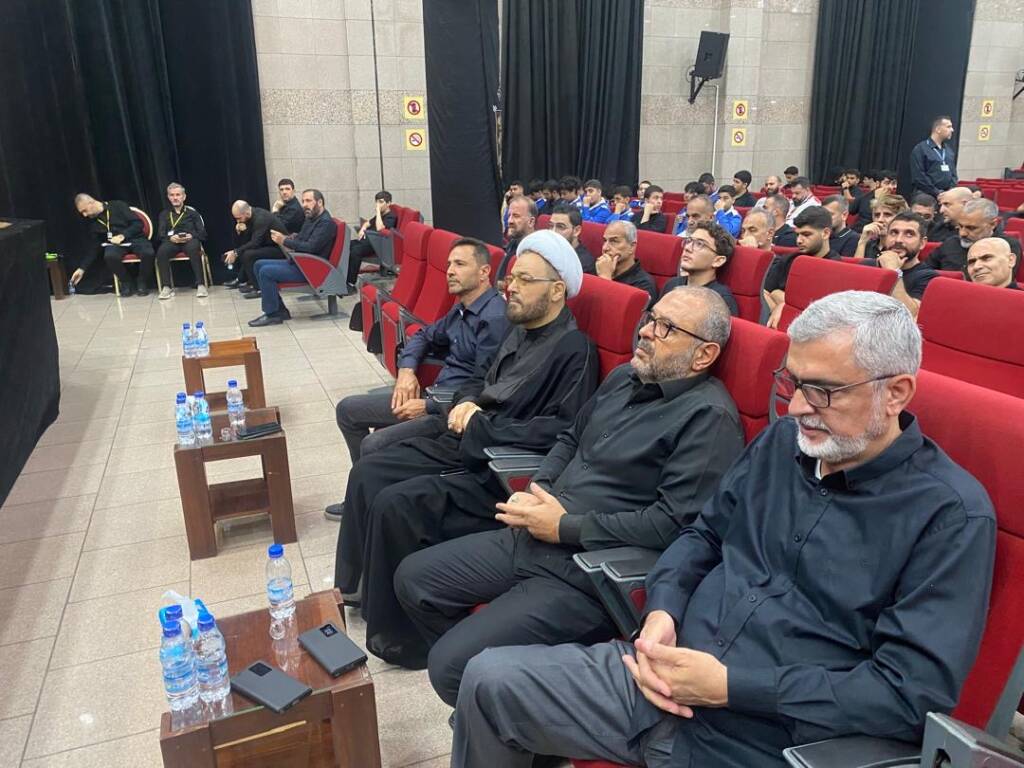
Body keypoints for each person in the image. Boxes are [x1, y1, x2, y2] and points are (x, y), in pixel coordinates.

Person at [450, 290, 996, 768]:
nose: (798, 407)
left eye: (823, 391)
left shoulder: (949, 515)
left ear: (896, 392)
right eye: (793, 382)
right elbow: (701, 535)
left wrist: (731, 687)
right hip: (660, 676)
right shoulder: (782, 444)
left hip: (770, 740)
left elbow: (908, 692)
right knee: (487, 680)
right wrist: (663, 610)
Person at [396, 287, 744, 705]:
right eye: (650, 318)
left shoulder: (709, 418)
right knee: (413, 579)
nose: (646, 331)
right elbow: (569, 439)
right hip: (537, 533)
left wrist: (565, 527)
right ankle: (492, 700)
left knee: (449, 665)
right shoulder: (624, 378)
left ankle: (496, 707)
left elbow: (672, 525)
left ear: (704, 355)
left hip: (589, 572)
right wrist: (539, 488)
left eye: (665, 328)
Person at [334, 230, 600, 666]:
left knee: (395, 503)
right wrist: (468, 401)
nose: (511, 287)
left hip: (497, 466)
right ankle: (355, 588)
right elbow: (481, 380)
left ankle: (401, 639)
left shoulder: (574, 347)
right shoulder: (520, 330)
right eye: (511, 278)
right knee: (369, 468)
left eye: (525, 280)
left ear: (557, 291)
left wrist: (482, 424)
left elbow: (560, 429)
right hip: (467, 438)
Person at [325, 238, 509, 521]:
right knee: (348, 410)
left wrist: (428, 407)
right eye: (449, 264)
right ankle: (364, 496)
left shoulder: (494, 319)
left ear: (484, 272)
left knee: (373, 445)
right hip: (432, 396)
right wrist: (407, 371)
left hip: (451, 413)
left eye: (460, 264)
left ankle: (366, 507)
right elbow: (424, 335)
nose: (450, 271)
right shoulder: (461, 308)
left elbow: (484, 387)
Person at [246, 189, 338, 326]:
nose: (304, 204)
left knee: (266, 272)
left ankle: (272, 314)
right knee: (258, 264)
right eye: (303, 201)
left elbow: (310, 247)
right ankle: (280, 310)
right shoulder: (311, 218)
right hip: (300, 262)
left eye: (308, 201)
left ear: (319, 202)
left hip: (312, 269)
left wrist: (284, 241)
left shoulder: (325, 223)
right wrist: (291, 237)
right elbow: (302, 238)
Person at [764, 206, 840, 329]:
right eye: (798, 234)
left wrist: (784, 304)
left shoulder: (835, 268)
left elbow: (814, 312)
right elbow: (765, 292)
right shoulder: (789, 259)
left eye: (806, 234)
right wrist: (784, 305)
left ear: (825, 233)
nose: (799, 240)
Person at [71, 194, 155, 297]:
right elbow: (94, 247)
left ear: (91, 203)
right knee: (110, 255)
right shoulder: (93, 223)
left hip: (135, 238)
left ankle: (142, 281)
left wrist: (123, 235)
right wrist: (82, 268)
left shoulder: (118, 205)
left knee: (148, 253)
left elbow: (138, 224)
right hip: (115, 244)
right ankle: (126, 282)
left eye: (85, 210)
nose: (84, 215)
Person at [863, 212, 938, 317]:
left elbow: (911, 316)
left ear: (922, 243)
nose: (898, 240)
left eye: (909, 234)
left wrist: (894, 271)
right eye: (894, 233)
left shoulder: (929, 278)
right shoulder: (868, 266)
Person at [927, 197, 1024, 274]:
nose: (962, 233)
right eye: (960, 226)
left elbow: (996, 281)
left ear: (993, 224)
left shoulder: (1007, 246)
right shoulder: (951, 243)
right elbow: (926, 270)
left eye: (971, 228)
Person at [661, 222, 740, 316]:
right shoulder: (672, 284)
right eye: (689, 241)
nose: (687, 248)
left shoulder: (720, 300)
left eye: (699, 244)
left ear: (718, 261)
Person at [153, 183, 209, 299]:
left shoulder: (193, 213)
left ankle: (200, 285)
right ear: (168, 197)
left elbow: (203, 233)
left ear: (184, 197)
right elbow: (160, 234)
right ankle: (166, 287)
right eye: (172, 195)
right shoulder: (164, 214)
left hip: (190, 240)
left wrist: (191, 235)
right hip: (172, 241)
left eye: (178, 195)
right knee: (161, 252)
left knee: (194, 248)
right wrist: (170, 237)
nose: (175, 198)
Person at [223, 200, 287, 292]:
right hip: (268, 245)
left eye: (239, 218)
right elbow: (248, 242)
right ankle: (243, 280)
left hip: (280, 248)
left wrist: (235, 252)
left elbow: (255, 243)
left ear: (246, 213)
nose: (237, 221)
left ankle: (259, 288)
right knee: (245, 252)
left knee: (248, 255)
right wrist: (241, 232)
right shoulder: (250, 217)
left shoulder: (260, 218)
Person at [596, 220, 658, 305]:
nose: (605, 248)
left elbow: (617, 310)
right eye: (604, 240)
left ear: (632, 247)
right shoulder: (599, 267)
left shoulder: (644, 284)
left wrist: (605, 278)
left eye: (614, 241)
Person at [347, 190, 399, 288]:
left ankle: (350, 282)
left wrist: (378, 211)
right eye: (377, 202)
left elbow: (380, 228)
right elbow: (368, 223)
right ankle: (344, 278)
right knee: (346, 246)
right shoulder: (380, 215)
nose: (378, 205)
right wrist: (362, 229)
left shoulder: (391, 217)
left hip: (376, 244)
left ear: (388, 203)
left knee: (355, 251)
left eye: (381, 202)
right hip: (367, 240)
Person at [495, 195, 538, 284]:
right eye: (509, 215)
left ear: (531, 222)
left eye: (516, 216)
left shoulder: (536, 253)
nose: (509, 221)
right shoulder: (513, 243)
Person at [911, 116, 958, 197]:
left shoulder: (949, 151)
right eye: (948, 127)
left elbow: (953, 175)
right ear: (938, 129)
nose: (952, 130)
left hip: (946, 195)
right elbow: (919, 177)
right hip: (926, 194)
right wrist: (937, 192)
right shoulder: (921, 149)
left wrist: (949, 192)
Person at [853, 195, 908, 261]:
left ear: (901, 218)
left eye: (887, 215)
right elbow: (857, 267)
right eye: (877, 215)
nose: (880, 220)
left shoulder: (903, 248)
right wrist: (862, 242)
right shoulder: (867, 244)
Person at [549, 204, 597, 274]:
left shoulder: (582, 264)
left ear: (576, 231)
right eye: (551, 226)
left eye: (560, 227)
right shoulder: (547, 249)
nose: (553, 232)